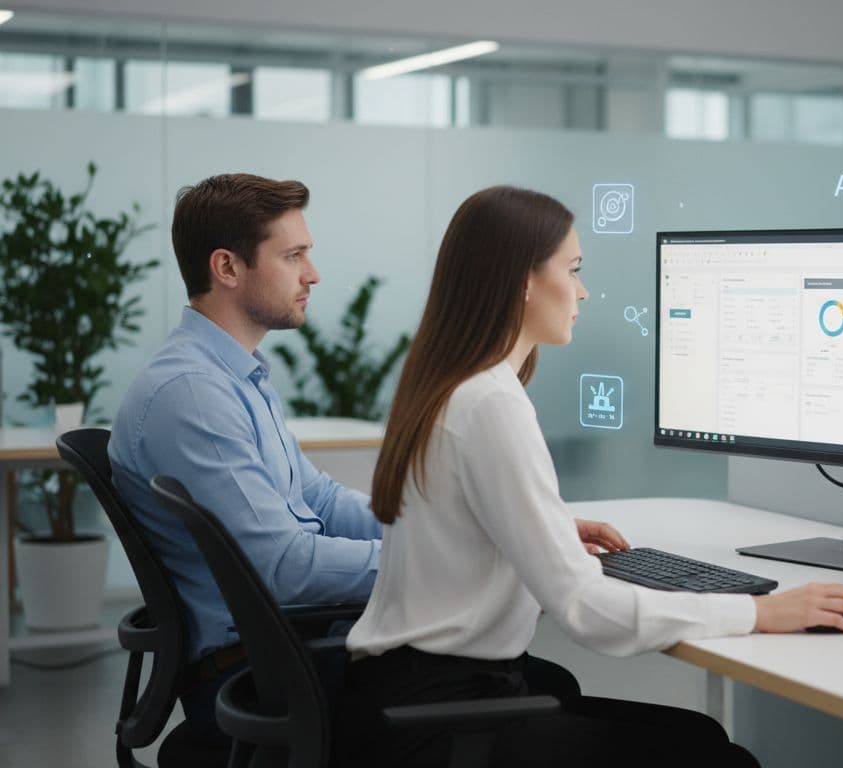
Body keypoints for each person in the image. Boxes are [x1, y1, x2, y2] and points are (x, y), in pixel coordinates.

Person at [344, 185, 843, 767]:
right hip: (439, 719)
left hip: (404, 691)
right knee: (716, 755)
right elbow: (586, 611)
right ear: (521, 281)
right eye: (572, 270)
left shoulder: (453, 382)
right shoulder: (490, 403)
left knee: (693, 734)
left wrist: (544, 531)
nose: (583, 290)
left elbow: (457, 527)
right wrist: (762, 612)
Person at [108, 174, 578, 747]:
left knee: (539, 683)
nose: (313, 273)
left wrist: (476, 529)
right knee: (539, 689)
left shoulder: (232, 377)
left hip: (288, 651)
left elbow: (320, 500)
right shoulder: (194, 395)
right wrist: (440, 560)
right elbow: (283, 566)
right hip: (267, 675)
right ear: (227, 268)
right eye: (294, 255)